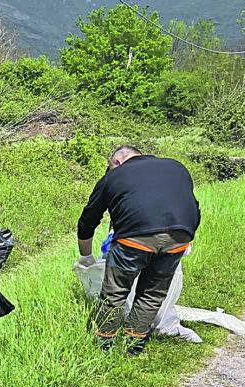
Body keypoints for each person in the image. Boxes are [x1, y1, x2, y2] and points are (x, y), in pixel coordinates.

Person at [75, 146, 201, 355]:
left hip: (134, 239)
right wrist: (184, 241)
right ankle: (132, 346)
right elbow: (193, 208)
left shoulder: (114, 176)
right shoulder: (176, 167)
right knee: (152, 295)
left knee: (115, 294)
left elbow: (88, 220)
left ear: (117, 162)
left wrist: (86, 256)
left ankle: (103, 346)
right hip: (179, 237)